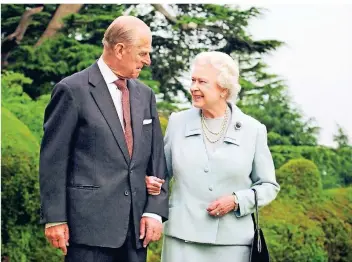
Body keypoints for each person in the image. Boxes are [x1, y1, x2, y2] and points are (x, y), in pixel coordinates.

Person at [39, 16, 169, 262]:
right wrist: (55, 218)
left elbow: (157, 158)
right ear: (120, 49)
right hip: (88, 230)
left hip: (135, 230)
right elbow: (53, 160)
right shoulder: (72, 90)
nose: (148, 61)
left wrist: (155, 211)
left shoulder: (146, 95)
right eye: (143, 53)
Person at [146, 51, 280, 262]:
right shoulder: (177, 122)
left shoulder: (253, 130)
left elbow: (268, 186)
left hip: (234, 244)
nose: (193, 88)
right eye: (192, 80)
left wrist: (237, 200)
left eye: (202, 82)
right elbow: (160, 174)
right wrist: (150, 182)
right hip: (182, 241)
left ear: (223, 90)